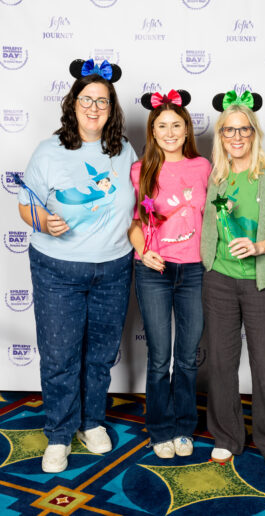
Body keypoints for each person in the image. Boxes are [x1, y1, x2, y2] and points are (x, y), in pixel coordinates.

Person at [18, 58, 137, 473]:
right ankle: (59, 432)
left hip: (114, 268)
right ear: (72, 103)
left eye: (102, 101)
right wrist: (42, 221)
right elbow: (25, 206)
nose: (93, 108)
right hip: (57, 269)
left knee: (100, 354)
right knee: (59, 355)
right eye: (86, 99)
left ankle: (91, 422)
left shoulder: (124, 150)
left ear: (112, 108)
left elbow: (138, 206)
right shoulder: (49, 151)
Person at [200, 90, 265, 471]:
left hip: (259, 283)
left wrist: (259, 247)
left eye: (244, 129)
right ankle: (227, 436)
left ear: (255, 133)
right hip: (219, 280)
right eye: (229, 130)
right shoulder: (217, 176)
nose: (237, 136)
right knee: (221, 362)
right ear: (221, 135)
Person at [129, 89, 211, 459]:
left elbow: (214, 218)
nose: (169, 132)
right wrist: (142, 251)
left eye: (176, 125)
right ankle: (160, 429)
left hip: (194, 271)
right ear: (152, 131)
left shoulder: (203, 167)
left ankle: (183, 427)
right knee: (160, 357)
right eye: (162, 126)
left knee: (188, 357)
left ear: (187, 129)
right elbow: (134, 222)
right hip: (155, 271)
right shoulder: (140, 170)